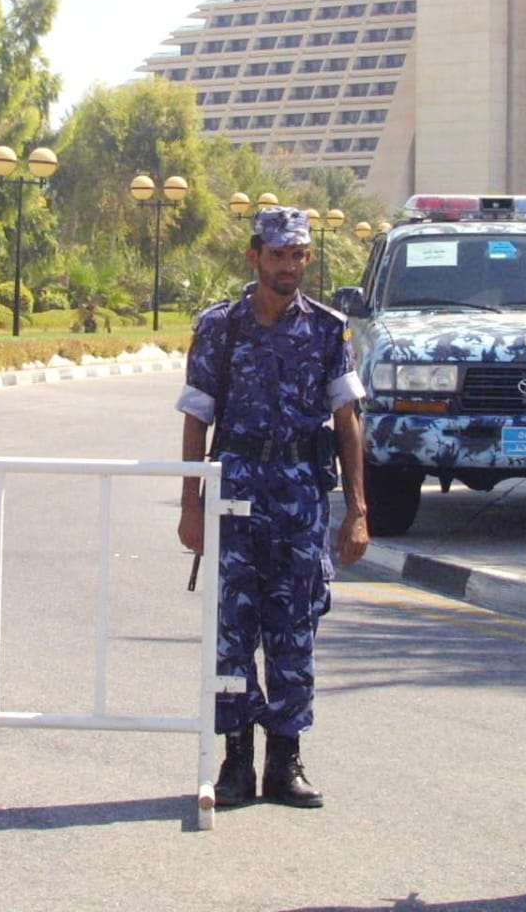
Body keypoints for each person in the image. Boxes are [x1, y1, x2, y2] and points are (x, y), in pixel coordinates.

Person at [176, 206, 369, 809]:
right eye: (279, 253)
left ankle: (285, 762)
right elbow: (196, 416)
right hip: (233, 493)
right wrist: (191, 501)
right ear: (254, 255)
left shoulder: (328, 330)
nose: (290, 265)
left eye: (299, 255)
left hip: (299, 498)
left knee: (294, 631)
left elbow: (347, 420)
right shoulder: (219, 328)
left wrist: (356, 508)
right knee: (232, 632)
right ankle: (235, 761)